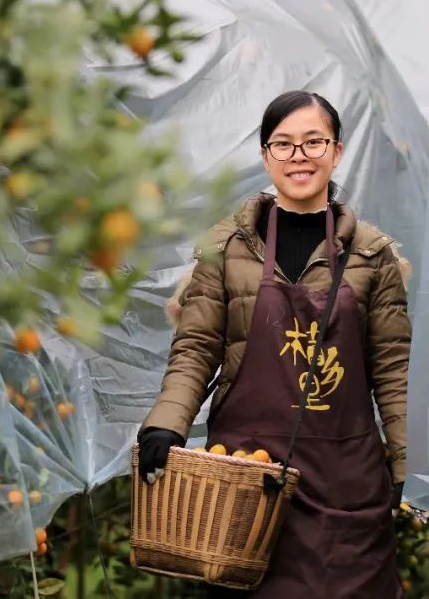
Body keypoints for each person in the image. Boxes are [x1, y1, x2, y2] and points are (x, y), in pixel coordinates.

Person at [137, 90, 411, 598]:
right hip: (246, 484)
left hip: (345, 485)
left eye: (313, 141)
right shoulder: (225, 248)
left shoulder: (372, 254)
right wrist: (165, 425)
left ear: (337, 151)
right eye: (282, 144)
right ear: (265, 156)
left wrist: (403, 459)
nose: (298, 156)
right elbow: (196, 347)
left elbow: (393, 370)